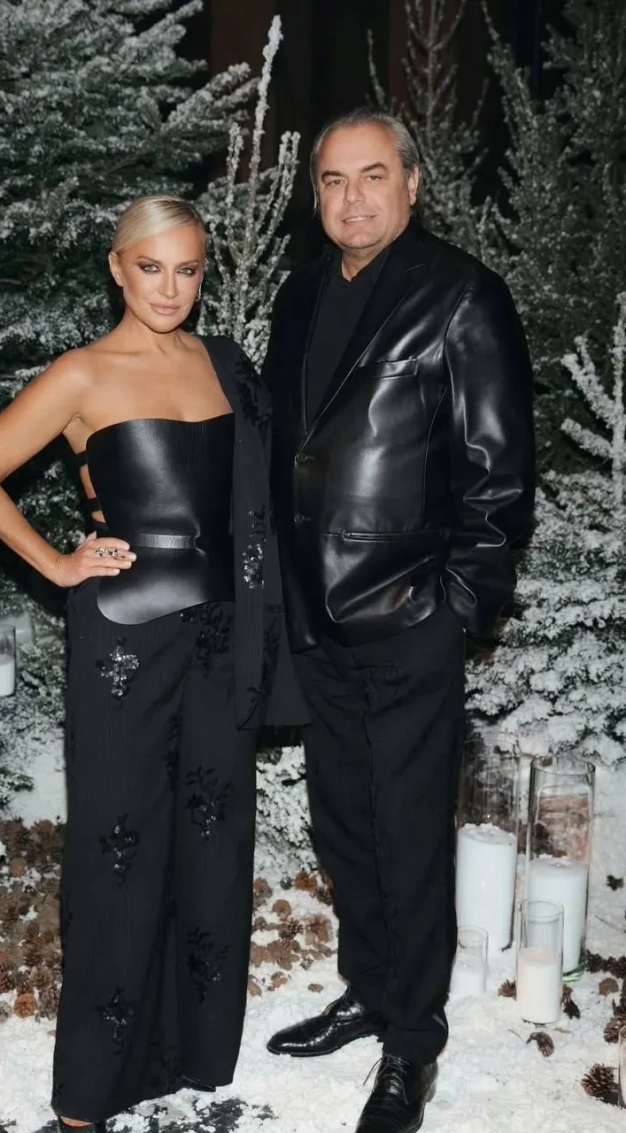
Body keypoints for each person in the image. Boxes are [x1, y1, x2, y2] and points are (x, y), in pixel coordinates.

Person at [0, 195, 304, 1132]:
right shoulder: (82, 374)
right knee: (117, 851)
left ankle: (194, 1049)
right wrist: (59, 563)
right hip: (123, 642)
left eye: (187, 270)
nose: (169, 288)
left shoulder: (221, 363)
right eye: (151, 268)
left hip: (221, 639)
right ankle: (91, 1087)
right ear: (117, 268)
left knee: (213, 843)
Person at [262, 108, 535, 1133]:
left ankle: (413, 1042)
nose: (352, 198)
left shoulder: (461, 295)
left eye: (372, 175)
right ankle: (371, 990)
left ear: (411, 184)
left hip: (409, 617)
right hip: (317, 618)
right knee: (344, 820)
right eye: (333, 180)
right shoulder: (299, 294)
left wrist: (455, 611)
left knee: (409, 834)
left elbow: (500, 480)